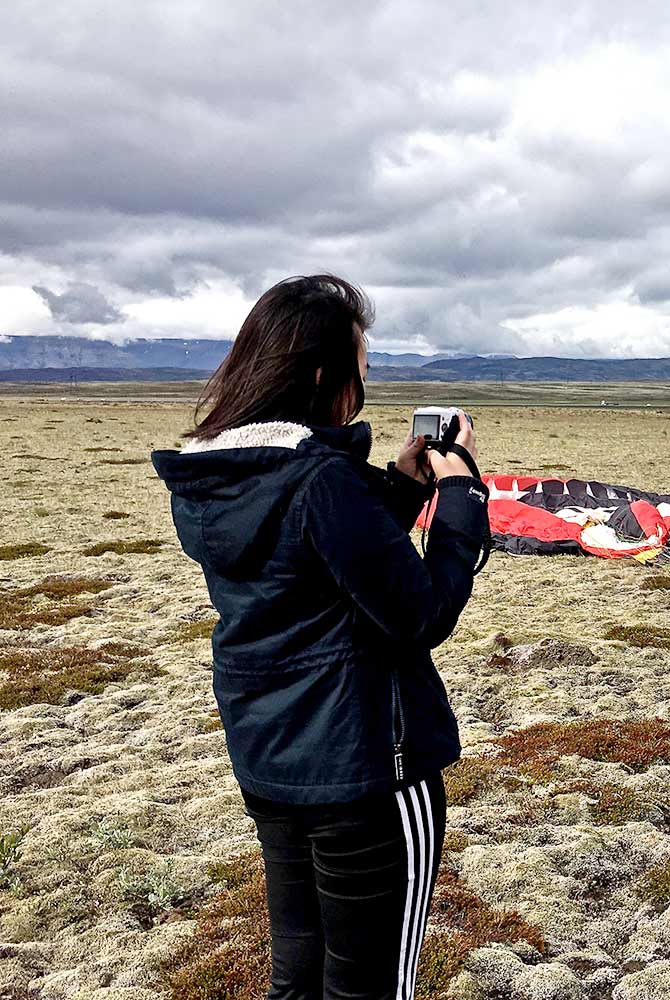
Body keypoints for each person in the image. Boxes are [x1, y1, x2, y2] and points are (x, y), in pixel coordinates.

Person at [152, 275, 492, 999]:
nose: (361, 388)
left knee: (299, 979)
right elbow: (420, 613)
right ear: (318, 374)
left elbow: (314, 564)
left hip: (275, 764)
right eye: (360, 371)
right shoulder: (318, 483)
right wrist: (463, 491)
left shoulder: (220, 476)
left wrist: (400, 488)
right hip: (367, 770)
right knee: (371, 989)